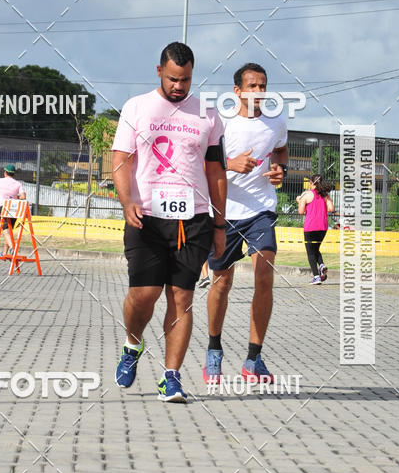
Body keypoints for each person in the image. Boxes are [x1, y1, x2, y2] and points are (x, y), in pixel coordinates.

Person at [112, 41, 227, 403]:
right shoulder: (137, 107)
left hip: (192, 219)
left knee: (181, 298)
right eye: (174, 78)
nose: (180, 86)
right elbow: (121, 159)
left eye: (187, 80)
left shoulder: (207, 115)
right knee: (143, 295)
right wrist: (127, 200)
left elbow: (215, 170)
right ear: (159, 70)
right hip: (145, 216)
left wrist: (220, 225)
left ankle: (171, 377)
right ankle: (132, 344)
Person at [203, 63, 288, 384]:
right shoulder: (220, 122)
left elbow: (280, 150)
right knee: (221, 283)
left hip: (261, 211)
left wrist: (280, 170)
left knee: (264, 273)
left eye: (262, 86)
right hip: (224, 211)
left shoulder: (276, 122)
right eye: (251, 86)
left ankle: (254, 358)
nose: (258, 92)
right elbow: (202, 162)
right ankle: (214, 351)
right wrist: (229, 164)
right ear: (237, 91)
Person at [297, 176, 335, 284]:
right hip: (323, 227)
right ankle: (321, 265)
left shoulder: (306, 194)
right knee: (315, 248)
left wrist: (299, 201)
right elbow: (331, 209)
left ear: (310, 182)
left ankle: (316, 276)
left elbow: (301, 211)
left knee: (310, 252)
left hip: (310, 227)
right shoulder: (325, 195)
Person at [0, 164, 27, 252]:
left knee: (5, 229)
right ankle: (5, 252)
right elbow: (23, 197)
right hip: (14, 208)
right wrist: (14, 197)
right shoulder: (18, 184)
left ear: (5, 172)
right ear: (13, 174)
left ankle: (12, 247)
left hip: (3, 206)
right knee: (9, 230)